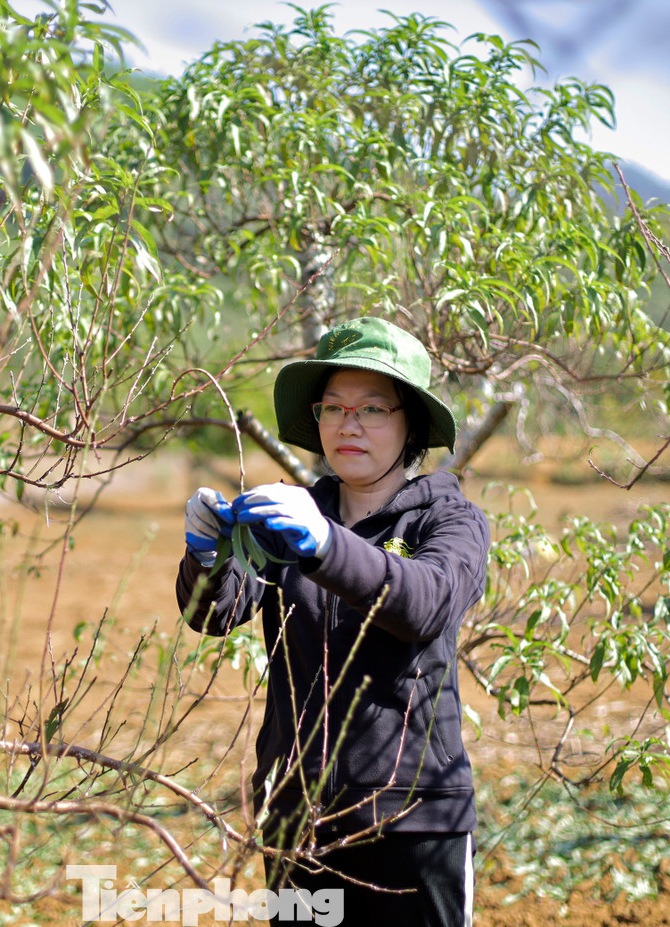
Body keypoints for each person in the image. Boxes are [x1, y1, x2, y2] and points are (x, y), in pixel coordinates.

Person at [176, 317, 490, 926]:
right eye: (334, 407)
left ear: (410, 425)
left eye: (373, 407)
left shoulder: (448, 521)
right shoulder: (291, 517)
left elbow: (425, 604)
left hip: (415, 821)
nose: (350, 424)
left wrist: (324, 546)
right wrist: (207, 556)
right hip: (300, 818)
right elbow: (214, 613)